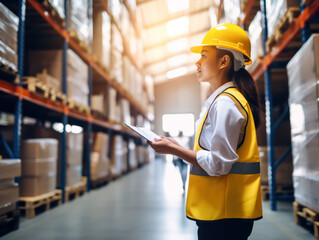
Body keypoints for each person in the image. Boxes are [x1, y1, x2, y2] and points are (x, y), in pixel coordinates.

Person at [148, 23, 263, 240]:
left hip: (225, 216)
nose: (197, 61)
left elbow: (218, 164)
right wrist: (175, 146)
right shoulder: (221, 101)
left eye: (203, 55)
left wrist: (174, 151)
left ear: (224, 61)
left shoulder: (226, 104)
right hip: (222, 211)